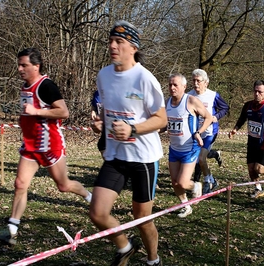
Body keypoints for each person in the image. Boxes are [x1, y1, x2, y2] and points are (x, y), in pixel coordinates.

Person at [0, 48, 92, 245]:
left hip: (49, 145)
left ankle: (90, 197)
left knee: (63, 185)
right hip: (30, 146)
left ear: (36, 66)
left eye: (24, 65)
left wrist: (36, 111)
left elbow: (63, 112)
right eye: (19, 65)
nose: (20, 69)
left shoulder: (46, 86)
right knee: (20, 184)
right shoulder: (25, 86)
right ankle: (11, 229)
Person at [89, 20, 166, 266]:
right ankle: (125, 247)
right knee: (98, 213)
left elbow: (161, 119)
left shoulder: (144, 78)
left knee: (142, 218)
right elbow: (110, 111)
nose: (112, 46)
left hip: (143, 158)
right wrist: (102, 122)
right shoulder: (103, 75)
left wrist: (133, 128)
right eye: (111, 41)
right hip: (115, 156)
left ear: (132, 47)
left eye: (119, 42)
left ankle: (153, 260)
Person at [165, 73, 213, 218]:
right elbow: (165, 124)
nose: (172, 88)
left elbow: (209, 117)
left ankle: (195, 185)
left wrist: (198, 132)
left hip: (190, 149)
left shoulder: (191, 101)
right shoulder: (167, 102)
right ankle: (186, 206)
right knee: (175, 183)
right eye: (170, 85)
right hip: (174, 148)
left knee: (183, 182)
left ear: (184, 87)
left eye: (175, 85)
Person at [228, 80, 264, 199]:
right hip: (252, 141)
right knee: (251, 169)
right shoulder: (248, 105)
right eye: (255, 91)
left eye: (260, 92)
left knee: (258, 168)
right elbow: (242, 118)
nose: (257, 94)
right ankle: (258, 188)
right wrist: (235, 129)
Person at [188, 69, 229, 194]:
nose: (196, 84)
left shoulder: (213, 95)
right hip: (195, 133)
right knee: (196, 159)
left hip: (210, 132)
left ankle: (207, 181)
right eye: (194, 80)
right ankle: (212, 180)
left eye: (198, 81)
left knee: (201, 158)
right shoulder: (189, 96)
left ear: (206, 83)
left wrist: (217, 116)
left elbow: (225, 107)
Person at [90, 90, 105, 157]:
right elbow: (94, 105)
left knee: (102, 145)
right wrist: (93, 111)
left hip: (113, 121)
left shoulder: (112, 91)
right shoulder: (97, 93)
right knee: (102, 145)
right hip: (102, 122)